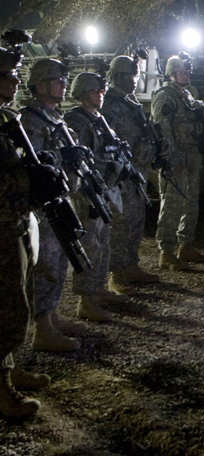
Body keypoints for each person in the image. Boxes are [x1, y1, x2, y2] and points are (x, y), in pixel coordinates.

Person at [0, 46, 60, 418]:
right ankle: (2, 389)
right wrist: (28, 178)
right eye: (7, 74)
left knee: (13, 299)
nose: (14, 80)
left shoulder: (6, 117)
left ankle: (9, 368)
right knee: (4, 304)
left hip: (13, 220)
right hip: (2, 222)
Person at [20, 58, 83, 351]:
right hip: (43, 205)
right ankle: (42, 328)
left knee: (59, 261)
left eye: (63, 79)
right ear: (41, 84)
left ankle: (52, 314)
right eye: (58, 80)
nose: (63, 84)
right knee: (44, 263)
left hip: (60, 199)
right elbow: (33, 167)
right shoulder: (30, 120)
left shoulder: (55, 117)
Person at [65, 72, 127, 322]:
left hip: (103, 186)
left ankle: (99, 289)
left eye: (101, 91)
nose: (100, 95)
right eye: (94, 91)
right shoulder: (76, 120)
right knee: (89, 244)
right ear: (81, 93)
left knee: (103, 242)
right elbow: (81, 158)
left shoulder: (98, 118)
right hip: (87, 190)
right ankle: (86, 300)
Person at [101, 55, 160, 292]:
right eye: (128, 76)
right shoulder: (110, 103)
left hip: (137, 170)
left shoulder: (131, 102)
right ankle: (117, 273)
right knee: (120, 223)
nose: (133, 80)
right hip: (120, 172)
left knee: (136, 219)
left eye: (135, 75)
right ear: (117, 77)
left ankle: (131, 265)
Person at [151, 53, 204, 270]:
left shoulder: (189, 95)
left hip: (192, 155)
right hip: (176, 157)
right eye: (183, 71)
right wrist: (171, 156)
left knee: (191, 201)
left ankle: (185, 244)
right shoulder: (165, 96)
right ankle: (166, 251)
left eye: (188, 71)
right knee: (173, 202)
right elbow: (161, 128)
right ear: (172, 73)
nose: (187, 74)